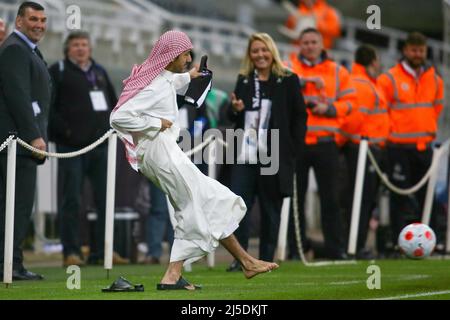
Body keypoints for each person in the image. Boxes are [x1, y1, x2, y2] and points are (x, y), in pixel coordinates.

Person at [110, 30, 278, 290]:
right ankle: (173, 274)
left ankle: (245, 262)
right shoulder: (154, 85)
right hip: (160, 151)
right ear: (172, 55)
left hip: (163, 151)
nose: (189, 58)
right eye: (186, 54)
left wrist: (190, 76)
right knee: (194, 205)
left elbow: (170, 83)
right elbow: (118, 117)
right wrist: (156, 122)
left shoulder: (161, 77)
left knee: (209, 200)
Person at [226, 32, 307, 271]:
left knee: (271, 208)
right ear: (249, 55)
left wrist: (293, 149)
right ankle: (240, 259)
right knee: (239, 205)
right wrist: (235, 109)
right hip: (245, 153)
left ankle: (266, 258)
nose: (260, 55)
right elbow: (231, 116)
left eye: (264, 50)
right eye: (255, 51)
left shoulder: (289, 79)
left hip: (274, 153)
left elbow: (300, 116)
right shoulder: (244, 80)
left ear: (272, 51)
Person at [48, 31, 129, 267]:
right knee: (71, 200)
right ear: (67, 49)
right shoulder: (58, 71)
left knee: (105, 199)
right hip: (71, 148)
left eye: (84, 44)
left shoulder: (100, 72)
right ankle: (71, 252)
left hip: (101, 146)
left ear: (90, 48)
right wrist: (67, 133)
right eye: (76, 45)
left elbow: (114, 105)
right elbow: (49, 108)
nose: (81, 49)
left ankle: (104, 251)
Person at [287, 27, 356, 260]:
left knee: (331, 199)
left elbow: (350, 102)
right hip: (298, 144)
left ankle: (336, 249)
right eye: (304, 42)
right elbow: (283, 93)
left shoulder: (337, 71)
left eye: (313, 42)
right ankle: (296, 249)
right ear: (299, 45)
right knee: (296, 199)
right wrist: (306, 87)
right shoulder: (289, 67)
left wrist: (330, 108)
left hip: (327, 143)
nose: (309, 46)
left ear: (321, 44)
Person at [377, 32, 444, 248]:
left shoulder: (434, 79)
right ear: (405, 50)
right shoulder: (389, 78)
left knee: (428, 196)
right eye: (414, 50)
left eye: (421, 50)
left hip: (424, 147)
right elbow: (382, 110)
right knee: (399, 196)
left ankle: (433, 241)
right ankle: (399, 241)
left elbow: (436, 108)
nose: (417, 54)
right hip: (397, 147)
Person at [0, 1, 50, 281]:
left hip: (21, 145)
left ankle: (12, 262)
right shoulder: (15, 50)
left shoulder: (25, 49)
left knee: (18, 206)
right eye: (33, 19)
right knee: (14, 206)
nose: (39, 24)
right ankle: (9, 265)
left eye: (43, 20)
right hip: (17, 144)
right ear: (19, 21)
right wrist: (34, 136)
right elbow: (18, 96)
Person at [339, 44, 389, 259]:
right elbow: (353, 120)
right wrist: (344, 142)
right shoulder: (363, 85)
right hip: (361, 149)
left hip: (367, 149)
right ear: (373, 61)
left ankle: (355, 244)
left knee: (362, 199)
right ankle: (355, 245)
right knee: (360, 199)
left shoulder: (366, 83)